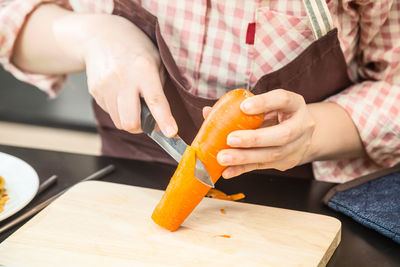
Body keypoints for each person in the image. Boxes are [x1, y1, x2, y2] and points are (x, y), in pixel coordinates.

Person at [0, 0, 399, 183]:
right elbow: (12, 17)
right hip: (127, 180)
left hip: (302, 191)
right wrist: (92, 34)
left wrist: (313, 131)